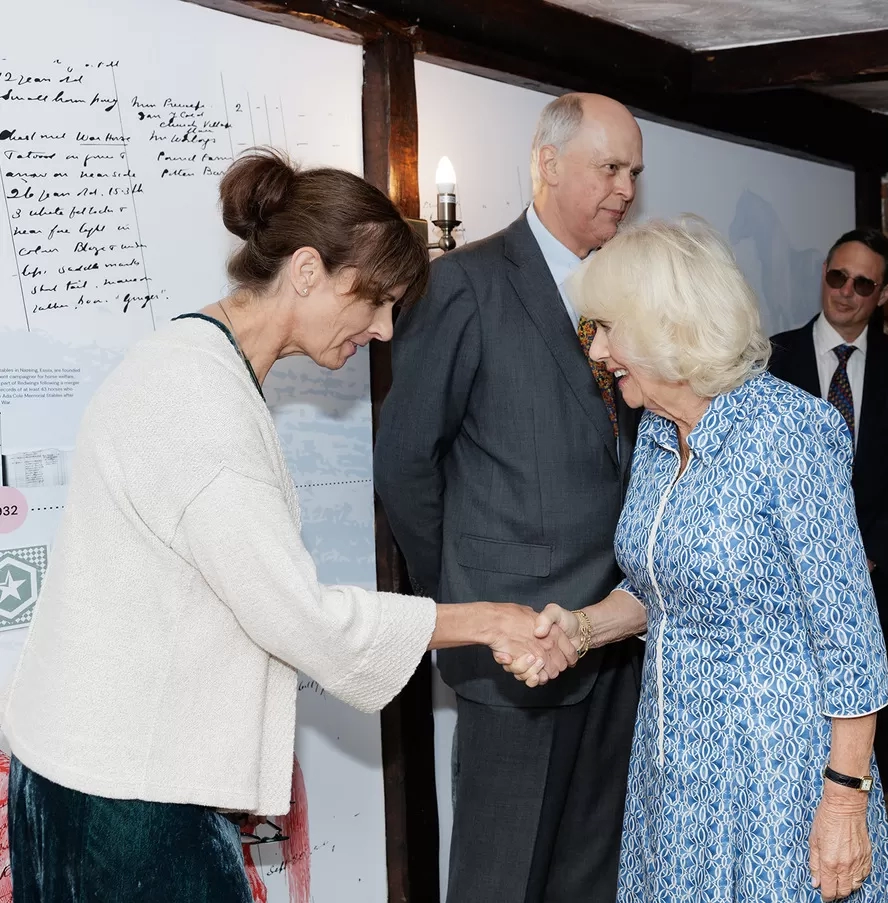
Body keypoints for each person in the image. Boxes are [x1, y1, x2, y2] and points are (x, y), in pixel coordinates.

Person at [1, 149, 577, 903]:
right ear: (307, 270)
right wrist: (490, 619)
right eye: (371, 300)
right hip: (126, 793)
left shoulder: (192, 359)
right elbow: (300, 616)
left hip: (94, 769)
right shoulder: (200, 399)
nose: (381, 328)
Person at [508, 217, 888, 901]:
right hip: (674, 769)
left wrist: (844, 802)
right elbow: (661, 581)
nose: (597, 350)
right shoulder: (660, 431)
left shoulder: (789, 433)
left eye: (607, 328)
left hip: (775, 780)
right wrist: (579, 628)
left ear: (668, 325)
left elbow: (852, 641)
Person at [373, 93, 646, 903]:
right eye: (609, 168)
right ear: (547, 164)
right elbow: (405, 463)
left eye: (634, 172)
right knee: (503, 877)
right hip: (513, 655)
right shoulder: (464, 283)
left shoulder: (627, 291)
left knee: (591, 875)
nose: (625, 189)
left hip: (619, 644)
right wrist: (464, 596)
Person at [769, 228, 888, 790]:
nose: (845, 292)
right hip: (785, 581)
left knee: (859, 744)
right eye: (836, 276)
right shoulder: (773, 358)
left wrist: (869, 557)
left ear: (886, 292)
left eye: (863, 283)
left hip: (876, 580)